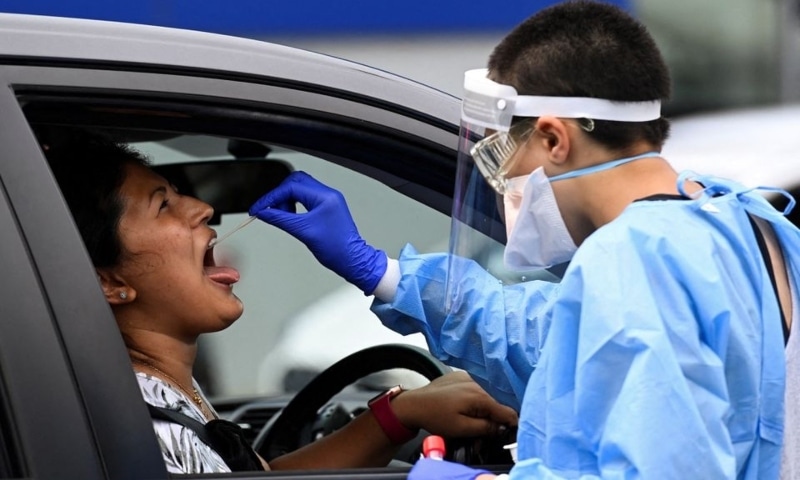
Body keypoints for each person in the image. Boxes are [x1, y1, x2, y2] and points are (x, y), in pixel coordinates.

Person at [247, 1, 800, 479]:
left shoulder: (635, 259)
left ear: (554, 138)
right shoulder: (741, 223)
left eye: (499, 156)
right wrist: (379, 271)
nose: (502, 183)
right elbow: (558, 344)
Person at [41, 129, 518, 474]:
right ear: (108, 282)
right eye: (163, 204)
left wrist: (400, 414)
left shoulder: (155, 394)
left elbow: (263, 477)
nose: (203, 208)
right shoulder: (144, 426)